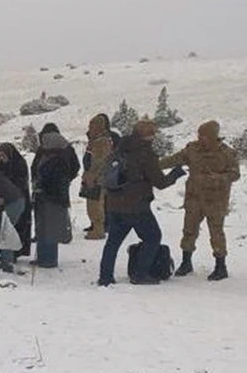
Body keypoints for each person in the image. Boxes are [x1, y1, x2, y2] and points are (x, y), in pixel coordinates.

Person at [97, 120, 186, 286]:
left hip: (115, 202)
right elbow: (159, 182)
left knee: (113, 242)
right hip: (136, 205)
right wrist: (176, 173)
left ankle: (105, 276)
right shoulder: (145, 153)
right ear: (149, 135)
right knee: (153, 237)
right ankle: (141, 274)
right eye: (153, 133)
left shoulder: (120, 148)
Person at [159, 120, 241, 280]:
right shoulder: (192, 149)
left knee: (216, 234)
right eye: (199, 135)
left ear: (212, 136)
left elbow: (235, 174)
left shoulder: (227, 153)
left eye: (204, 136)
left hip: (216, 201)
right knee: (189, 231)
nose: (200, 138)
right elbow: (173, 160)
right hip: (194, 199)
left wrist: (219, 178)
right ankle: (186, 262)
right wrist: (153, 166)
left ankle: (220, 266)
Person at [32, 133, 79, 267]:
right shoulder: (48, 156)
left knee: (49, 230)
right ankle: (42, 257)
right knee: (43, 229)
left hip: (53, 200)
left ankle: (49, 259)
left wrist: (44, 189)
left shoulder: (59, 161)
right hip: (45, 199)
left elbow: (58, 183)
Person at [81, 114, 115, 239]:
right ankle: (96, 227)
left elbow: (100, 162)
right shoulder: (97, 140)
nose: (89, 128)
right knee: (92, 205)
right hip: (93, 177)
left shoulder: (102, 141)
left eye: (92, 125)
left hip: (96, 179)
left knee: (95, 205)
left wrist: (93, 176)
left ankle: (98, 230)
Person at [0, 143, 31, 258]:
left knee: (17, 226)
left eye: (3, 155)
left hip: (18, 198)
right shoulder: (0, 164)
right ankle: (4, 253)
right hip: (4, 200)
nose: (1, 158)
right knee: (4, 226)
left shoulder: (19, 164)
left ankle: (14, 253)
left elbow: (21, 182)